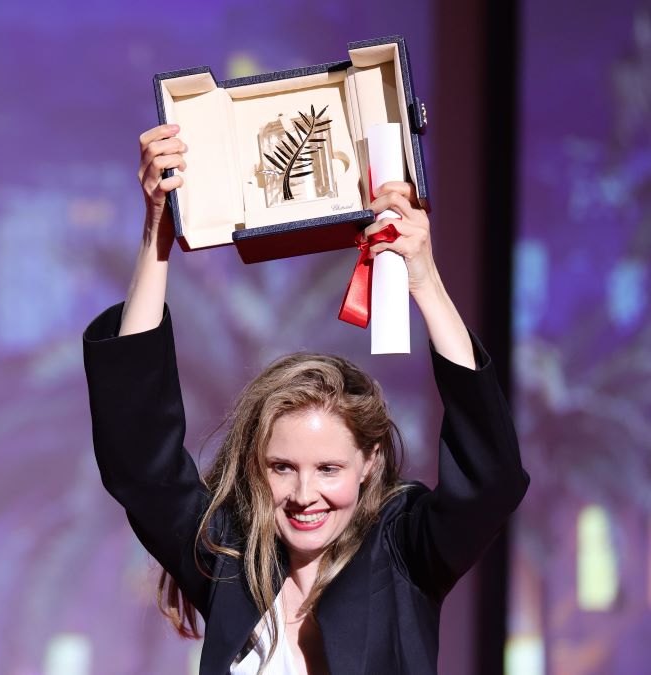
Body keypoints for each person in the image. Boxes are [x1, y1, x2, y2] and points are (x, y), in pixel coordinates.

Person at [82, 124, 529, 674]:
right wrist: (158, 232)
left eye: (328, 468)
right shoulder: (227, 557)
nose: (304, 494)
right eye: (282, 467)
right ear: (253, 464)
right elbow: (139, 457)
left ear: (371, 463)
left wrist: (424, 278)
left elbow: (491, 481)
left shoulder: (404, 552)